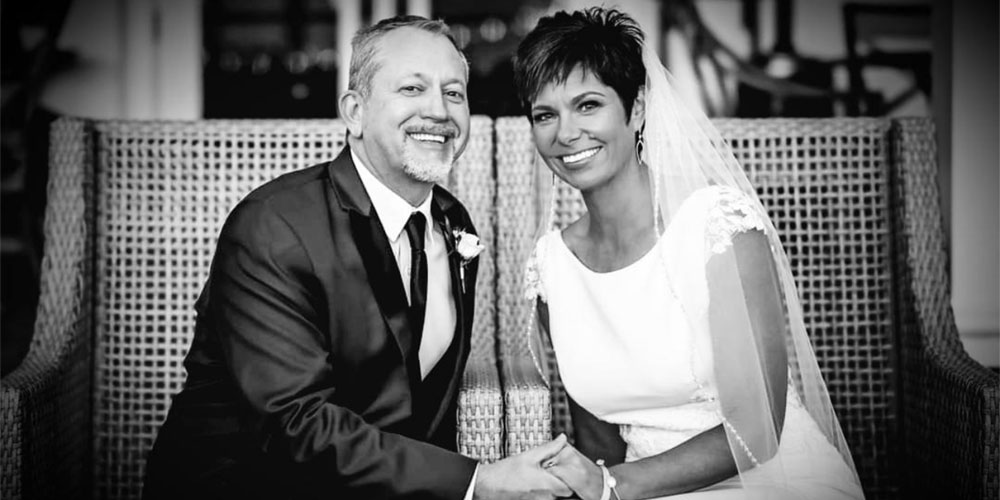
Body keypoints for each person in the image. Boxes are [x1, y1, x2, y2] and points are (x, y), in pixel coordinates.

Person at [144, 15, 571, 500]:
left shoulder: (454, 223)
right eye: (412, 88)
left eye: (454, 93)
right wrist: (477, 481)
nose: (439, 110)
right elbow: (293, 424)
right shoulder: (272, 227)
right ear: (354, 111)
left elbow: (420, 403)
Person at [514, 8, 867, 500]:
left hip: (773, 482)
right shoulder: (552, 266)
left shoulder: (717, 225)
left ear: (637, 108)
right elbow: (599, 442)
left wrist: (613, 485)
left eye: (588, 105)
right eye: (545, 115)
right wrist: (601, 484)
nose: (565, 133)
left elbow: (758, 430)